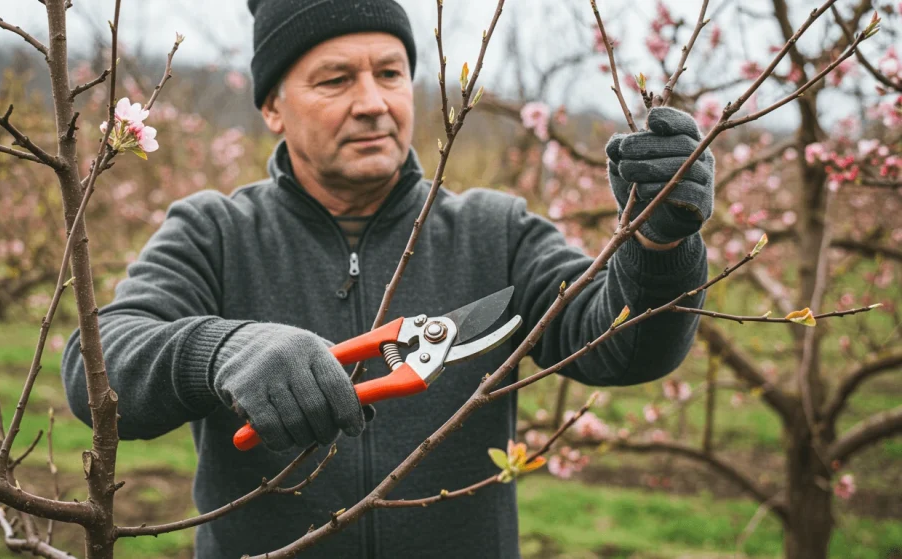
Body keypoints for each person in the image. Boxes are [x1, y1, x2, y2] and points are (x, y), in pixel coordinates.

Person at [61, 0, 715, 557]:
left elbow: (625, 343)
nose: (373, 103)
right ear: (272, 108)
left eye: (390, 73)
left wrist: (660, 241)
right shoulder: (216, 234)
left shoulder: (498, 232)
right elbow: (98, 368)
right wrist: (223, 351)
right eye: (335, 80)